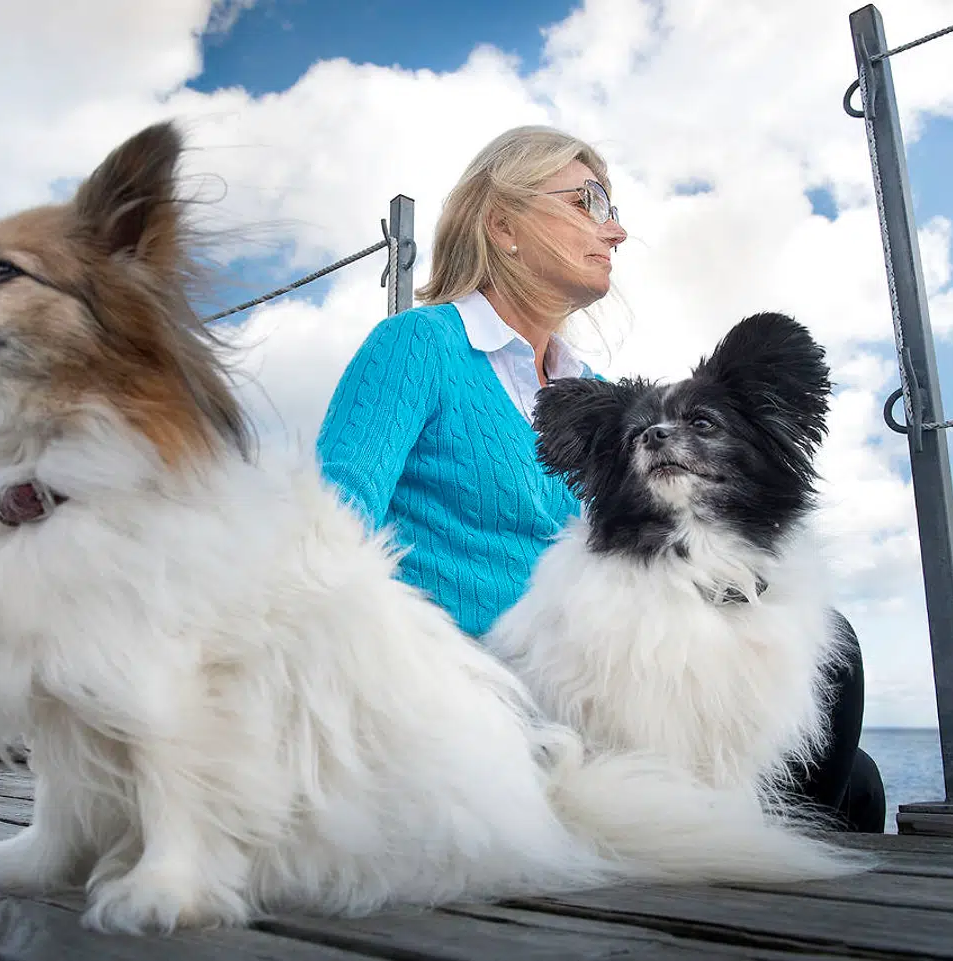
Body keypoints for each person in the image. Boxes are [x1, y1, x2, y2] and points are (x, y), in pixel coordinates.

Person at [314, 125, 885, 833]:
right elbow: (330, 527)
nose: (614, 230)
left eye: (609, 206)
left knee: (850, 738)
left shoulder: (604, 396)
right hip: (481, 692)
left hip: (609, 678)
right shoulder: (418, 346)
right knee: (839, 783)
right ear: (504, 226)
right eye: (589, 201)